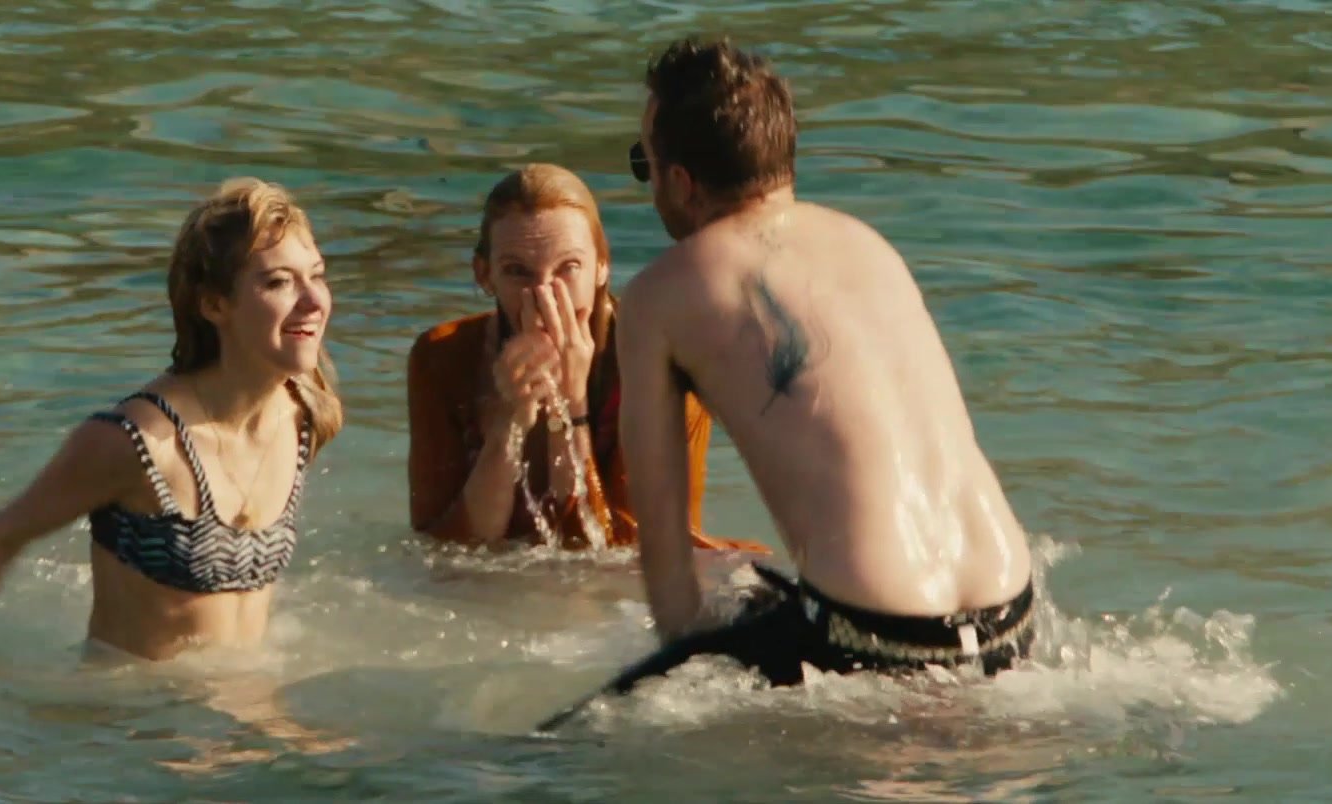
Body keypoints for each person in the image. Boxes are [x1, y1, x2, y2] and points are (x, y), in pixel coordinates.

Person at [540, 37, 1037, 727]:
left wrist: (690, 663)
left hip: (877, 638)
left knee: (556, 745)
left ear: (680, 181)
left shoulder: (661, 295)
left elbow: (671, 585)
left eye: (642, 165)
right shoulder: (868, 245)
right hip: (1015, 616)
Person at [0, 177, 343, 663]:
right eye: (279, 282)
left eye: (316, 276)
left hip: (250, 699)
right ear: (214, 304)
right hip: (134, 708)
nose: (314, 300)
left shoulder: (306, 410)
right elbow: (2, 535)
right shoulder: (136, 441)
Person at [406, 163, 767, 555]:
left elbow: (625, 556)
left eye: (568, 268)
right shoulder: (441, 358)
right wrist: (508, 425)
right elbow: (447, 553)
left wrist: (572, 408)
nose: (545, 295)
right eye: (517, 271)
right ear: (484, 274)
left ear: (601, 266)